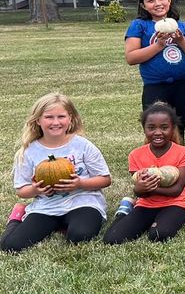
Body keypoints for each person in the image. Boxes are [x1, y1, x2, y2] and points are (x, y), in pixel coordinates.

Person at [3, 93, 112, 253]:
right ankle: (17, 216)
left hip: (82, 201)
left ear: (70, 118)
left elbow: (105, 179)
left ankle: (67, 224)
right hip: (47, 207)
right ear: (38, 120)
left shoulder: (82, 146)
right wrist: (35, 190)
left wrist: (80, 183)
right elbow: (21, 190)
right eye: (49, 117)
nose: (56, 122)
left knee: (81, 236)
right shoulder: (29, 152)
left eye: (61, 116)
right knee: (11, 246)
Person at [104, 102, 185, 244]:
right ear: (144, 129)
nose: (158, 132)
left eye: (164, 127)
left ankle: (176, 217)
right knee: (112, 239)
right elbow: (141, 192)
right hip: (146, 204)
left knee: (159, 235)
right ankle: (124, 212)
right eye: (151, 127)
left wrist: (148, 188)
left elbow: (177, 190)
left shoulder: (183, 153)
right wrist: (138, 190)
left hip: (176, 204)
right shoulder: (135, 155)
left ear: (173, 128)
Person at [123, 0, 185, 141]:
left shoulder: (182, 26)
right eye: (151, 1)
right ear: (143, 6)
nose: (157, 4)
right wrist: (158, 45)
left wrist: (181, 41)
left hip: (183, 84)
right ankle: (155, 163)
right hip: (155, 85)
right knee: (156, 128)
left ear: (169, 0)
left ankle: (179, 162)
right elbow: (131, 57)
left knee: (179, 126)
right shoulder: (139, 25)